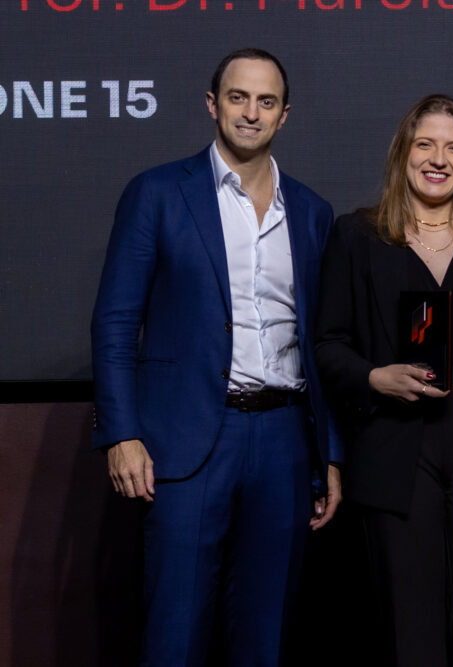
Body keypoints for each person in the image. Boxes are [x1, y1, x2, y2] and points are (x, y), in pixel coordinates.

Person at [90, 48, 342, 666]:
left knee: (266, 636)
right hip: (187, 439)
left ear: (284, 115)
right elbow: (116, 322)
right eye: (238, 97)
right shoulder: (157, 193)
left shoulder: (312, 212)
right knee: (174, 633)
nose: (251, 112)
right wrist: (121, 433)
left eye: (266, 101)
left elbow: (321, 344)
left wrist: (329, 454)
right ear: (212, 105)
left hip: (285, 440)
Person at [313, 94, 453, 667]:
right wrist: (374, 376)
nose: (438, 159)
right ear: (403, 154)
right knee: (409, 624)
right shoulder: (358, 236)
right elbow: (327, 345)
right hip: (395, 445)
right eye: (425, 145)